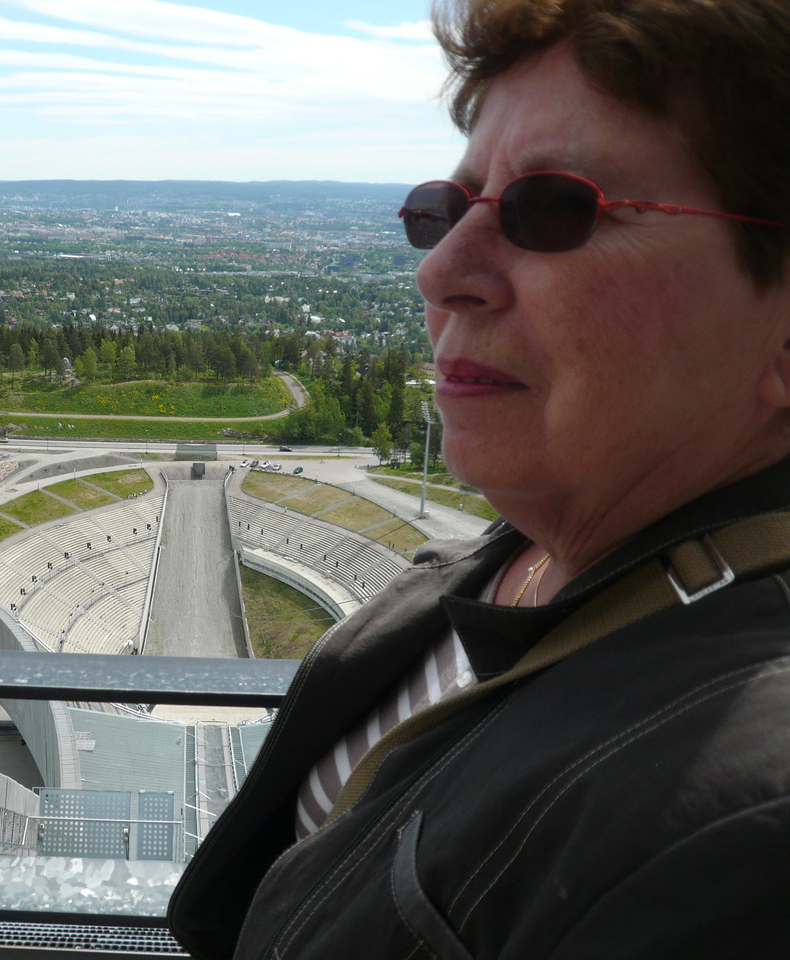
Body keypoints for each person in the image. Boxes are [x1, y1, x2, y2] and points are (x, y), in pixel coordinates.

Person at [168, 1, 790, 957]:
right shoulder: (530, 547)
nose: (441, 271)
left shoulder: (742, 835)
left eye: (557, 208)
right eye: (445, 209)